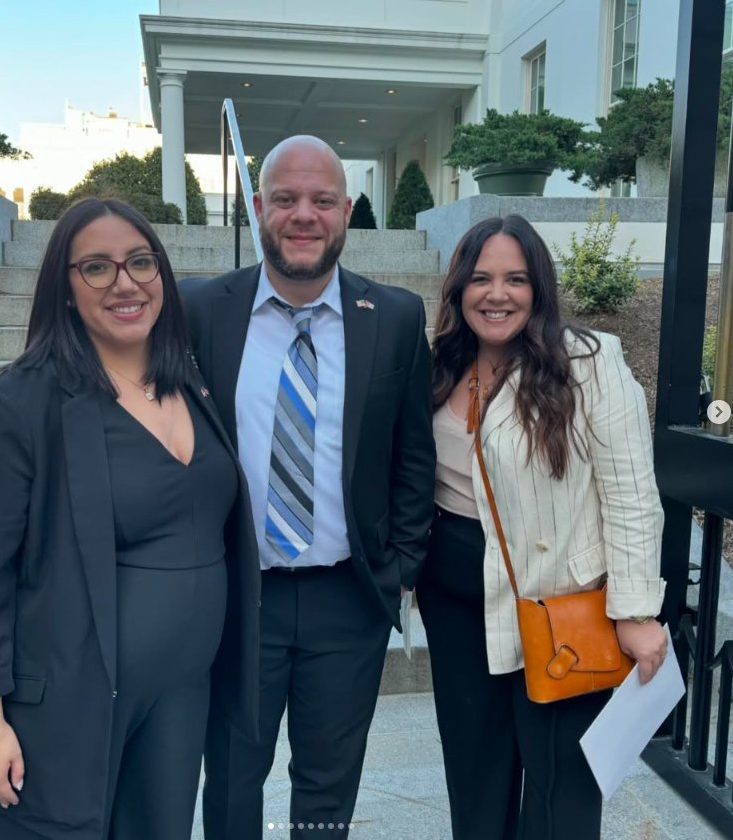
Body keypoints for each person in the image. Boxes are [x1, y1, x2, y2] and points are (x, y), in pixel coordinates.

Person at [0, 197, 260, 840]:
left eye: (141, 262)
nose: (126, 283)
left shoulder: (192, 384)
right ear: (63, 288)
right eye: (97, 268)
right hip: (64, 704)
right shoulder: (17, 405)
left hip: (180, 700)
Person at [181, 135, 435, 840]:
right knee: (231, 772)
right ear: (258, 206)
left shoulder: (396, 318)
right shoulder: (201, 311)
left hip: (346, 597)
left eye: (322, 200)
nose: (304, 215)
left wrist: (400, 565)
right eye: (287, 199)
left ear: (346, 211)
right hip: (238, 594)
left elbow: (414, 456)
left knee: (328, 785)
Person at [419, 213, 668, 840]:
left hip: (560, 605)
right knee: (474, 775)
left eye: (515, 279)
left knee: (560, 790)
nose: (496, 294)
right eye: (479, 279)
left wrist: (636, 610)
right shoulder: (440, 365)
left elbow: (632, 492)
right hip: (456, 606)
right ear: (458, 290)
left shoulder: (588, 362)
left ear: (539, 288)